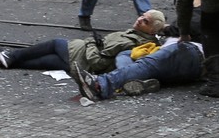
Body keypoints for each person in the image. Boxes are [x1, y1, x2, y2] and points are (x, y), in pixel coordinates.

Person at [0, 10, 165, 76]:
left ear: (151, 31)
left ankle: (11, 55)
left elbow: (98, 62)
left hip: (81, 56)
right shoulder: (139, 35)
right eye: (142, 15)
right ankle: (8, 62)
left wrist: (92, 42)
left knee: (55, 43)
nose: (140, 19)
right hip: (79, 62)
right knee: (48, 62)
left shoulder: (133, 42)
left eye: (145, 21)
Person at [75, 38, 204, 101]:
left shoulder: (202, 11)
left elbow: (196, 25)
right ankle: (143, 81)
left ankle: (100, 85)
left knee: (146, 65)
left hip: (190, 52)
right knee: (127, 55)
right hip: (191, 66)